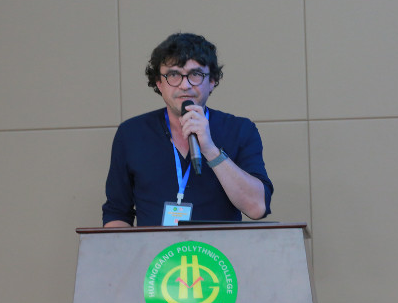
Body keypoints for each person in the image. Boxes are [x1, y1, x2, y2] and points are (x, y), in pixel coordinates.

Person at [102, 33, 273, 227]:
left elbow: (257, 207)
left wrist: (210, 149)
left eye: (195, 74)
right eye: (173, 75)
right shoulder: (131, 133)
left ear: (212, 81)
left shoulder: (240, 130)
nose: (185, 85)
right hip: (156, 248)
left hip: (218, 247)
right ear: (159, 82)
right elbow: (117, 213)